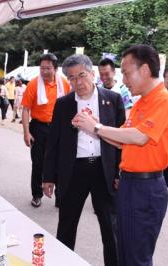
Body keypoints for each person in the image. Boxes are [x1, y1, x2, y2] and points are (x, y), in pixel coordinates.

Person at [73, 44, 168, 266]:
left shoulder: (164, 99)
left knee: (137, 257)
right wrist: (91, 127)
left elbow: (140, 137)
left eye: (127, 72)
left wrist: (97, 128)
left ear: (146, 70)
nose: (124, 79)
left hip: (146, 188)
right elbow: (122, 140)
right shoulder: (142, 102)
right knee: (124, 253)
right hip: (130, 184)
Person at [43, 54, 125, 266]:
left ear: (92, 73)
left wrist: (119, 173)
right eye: (71, 78)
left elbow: (122, 139)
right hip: (73, 170)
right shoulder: (63, 104)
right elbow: (53, 143)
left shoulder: (112, 100)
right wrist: (48, 177)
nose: (78, 82)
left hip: (103, 170)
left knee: (110, 228)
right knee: (66, 225)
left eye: (81, 75)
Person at [22, 53, 71, 208]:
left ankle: (60, 196)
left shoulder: (64, 84)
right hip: (38, 127)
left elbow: (71, 107)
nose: (44, 71)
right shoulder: (33, 84)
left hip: (59, 128)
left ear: (55, 69)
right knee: (38, 163)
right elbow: (25, 109)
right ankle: (37, 195)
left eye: (48, 68)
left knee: (59, 162)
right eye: (42, 68)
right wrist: (26, 132)